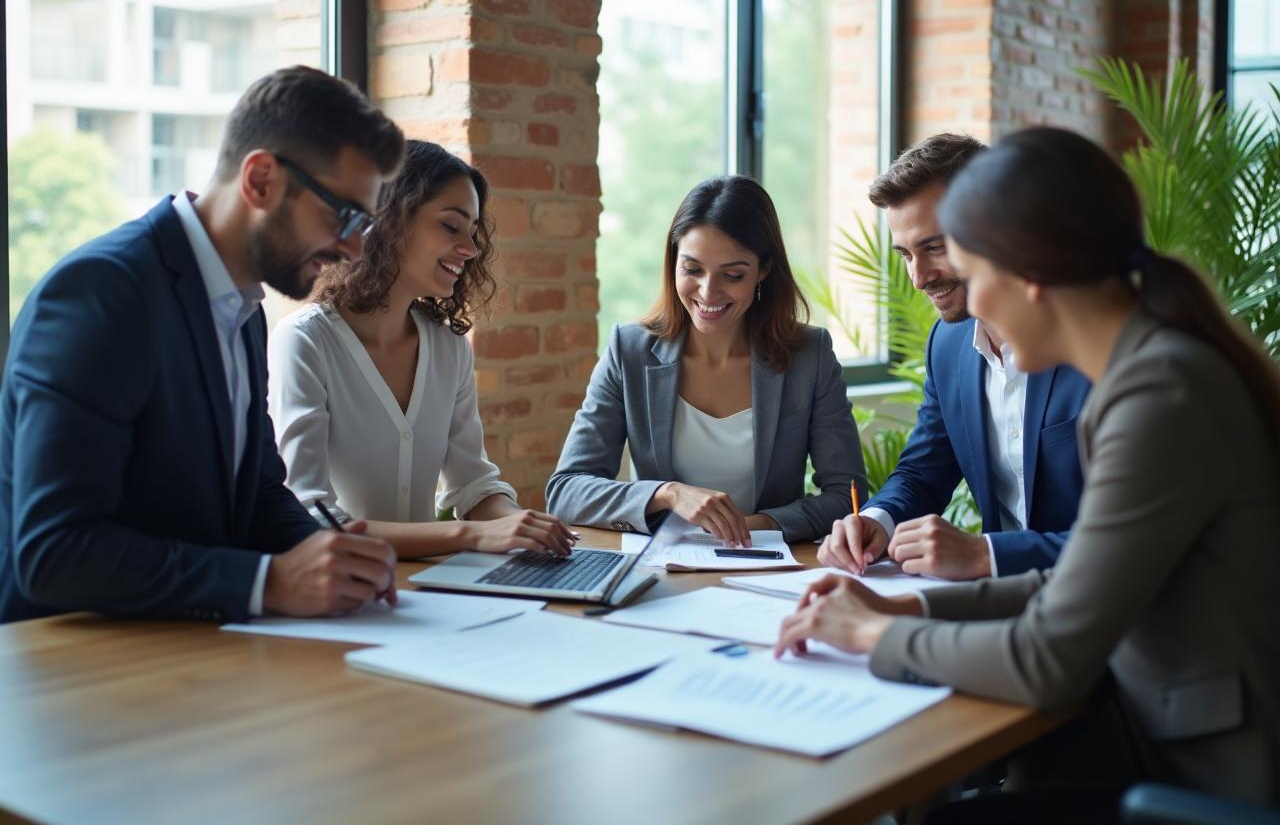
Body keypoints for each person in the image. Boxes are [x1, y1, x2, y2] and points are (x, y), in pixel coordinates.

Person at [776, 127, 1280, 808]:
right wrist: (908, 602)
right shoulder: (1150, 368)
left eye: (972, 271)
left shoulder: (1160, 395)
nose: (971, 306)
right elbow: (1070, 585)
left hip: (1196, 766)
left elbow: (1047, 660)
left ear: (1032, 274)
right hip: (1137, 715)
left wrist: (874, 632)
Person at [0, 66, 406, 624]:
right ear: (261, 179)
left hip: (188, 654)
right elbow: (55, 553)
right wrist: (270, 582)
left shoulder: (244, 310)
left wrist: (328, 554)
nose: (356, 249)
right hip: (66, 668)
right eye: (344, 215)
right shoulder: (100, 294)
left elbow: (258, 494)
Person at [268, 140, 575, 558]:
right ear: (389, 220)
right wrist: (470, 536)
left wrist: (521, 526)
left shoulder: (450, 349)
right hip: (339, 594)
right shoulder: (305, 342)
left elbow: (472, 484)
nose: (470, 249)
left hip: (425, 591)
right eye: (451, 227)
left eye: (473, 233)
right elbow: (312, 518)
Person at [819, 133, 1090, 580]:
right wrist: (876, 520)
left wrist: (985, 555)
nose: (919, 277)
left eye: (935, 247)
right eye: (905, 254)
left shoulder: (1093, 348)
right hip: (997, 604)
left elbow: (1133, 539)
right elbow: (925, 473)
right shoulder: (947, 346)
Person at [547, 175, 866, 544]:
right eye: (692, 269)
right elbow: (566, 491)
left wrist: (750, 526)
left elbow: (847, 498)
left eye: (732, 274)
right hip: (661, 571)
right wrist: (668, 493)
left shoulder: (810, 356)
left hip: (769, 567)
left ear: (763, 270)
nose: (708, 292)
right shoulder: (628, 351)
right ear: (673, 262)